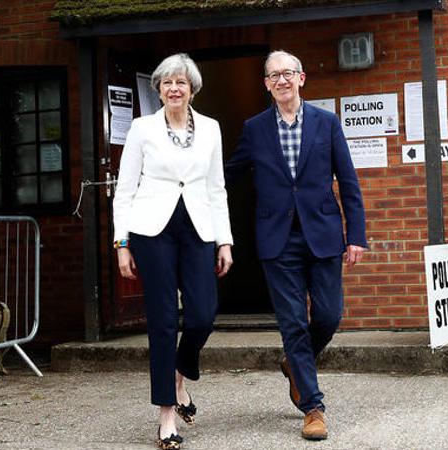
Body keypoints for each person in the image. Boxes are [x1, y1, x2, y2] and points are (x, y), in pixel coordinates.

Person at [225, 50, 367, 440]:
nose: (282, 80)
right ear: (266, 84)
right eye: (273, 76)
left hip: (322, 233)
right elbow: (228, 174)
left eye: (288, 73)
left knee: (329, 315)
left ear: (301, 78)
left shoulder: (327, 123)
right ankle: (313, 407)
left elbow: (348, 182)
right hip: (277, 239)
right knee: (292, 324)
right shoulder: (254, 129)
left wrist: (356, 234)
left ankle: (293, 363)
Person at [112, 53, 233, 450]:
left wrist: (224, 240)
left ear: (192, 88)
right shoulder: (142, 129)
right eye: (167, 83)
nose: (174, 88)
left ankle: (181, 371)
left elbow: (216, 188)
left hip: (198, 228)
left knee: (202, 315)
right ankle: (166, 413)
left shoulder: (212, 129)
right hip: (152, 231)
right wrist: (122, 243)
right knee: (163, 319)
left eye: (181, 82)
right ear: (159, 89)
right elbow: (125, 190)